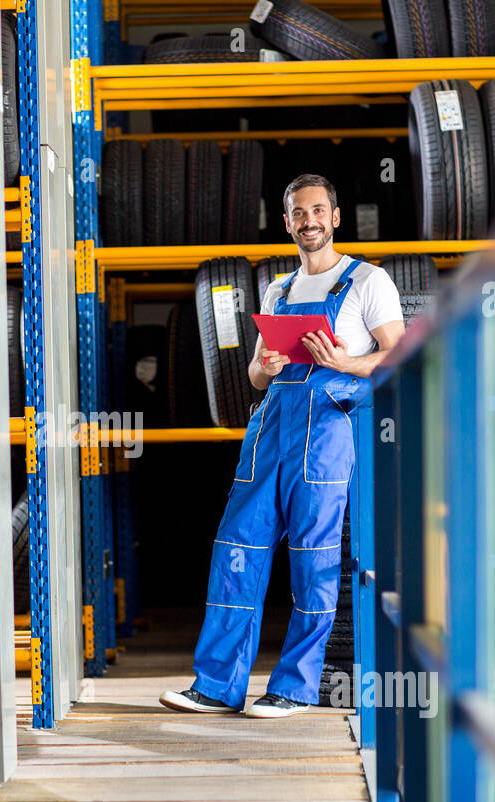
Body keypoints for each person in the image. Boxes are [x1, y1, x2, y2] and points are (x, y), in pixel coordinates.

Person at [160, 173, 406, 718]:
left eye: (319, 210)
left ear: (335, 217)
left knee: (313, 560)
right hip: (271, 429)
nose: (309, 221)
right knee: (236, 551)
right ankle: (217, 685)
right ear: (288, 221)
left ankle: (292, 688)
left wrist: (344, 361)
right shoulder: (279, 289)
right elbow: (254, 374)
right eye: (299, 213)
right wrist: (263, 366)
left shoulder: (369, 282)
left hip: (327, 434)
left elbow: (396, 356)